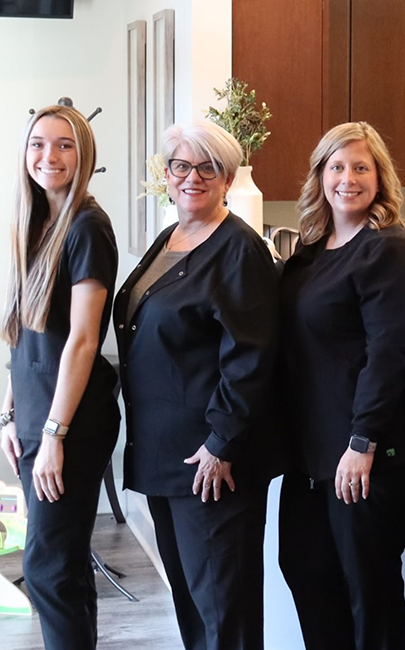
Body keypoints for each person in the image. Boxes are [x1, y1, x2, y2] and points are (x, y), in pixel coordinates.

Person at [113, 121, 280, 650]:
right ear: (166, 174)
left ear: (228, 177)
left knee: (223, 610)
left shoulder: (239, 250)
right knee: (189, 600)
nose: (193, 177)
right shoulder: (171, 237)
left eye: (208, 167)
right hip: (166, 457)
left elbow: (251, 357)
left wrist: (219, 445)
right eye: (181, 165)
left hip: (210, 464)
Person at [278, 122, 405, 649]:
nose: (348, 178)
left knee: (370, 592)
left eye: (361, 167)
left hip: (365, 456)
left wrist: (362, 442)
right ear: (319, 177)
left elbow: (390, 355)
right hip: (310, 459)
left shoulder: (389, 250)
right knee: (306, 574)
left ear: (380, 178)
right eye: (336, 167)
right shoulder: (311, 253)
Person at [0, 104, 119, 650]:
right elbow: (26, 332)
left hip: (68, 424)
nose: (50, 156)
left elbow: (84, 340)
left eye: (65, 144)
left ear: (84, 154)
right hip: (35, 415)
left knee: (46, 566)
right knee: (61, 564)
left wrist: (53, 435)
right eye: (39, 144)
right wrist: (9, 409)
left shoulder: (88, 226)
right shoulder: (34, 222)